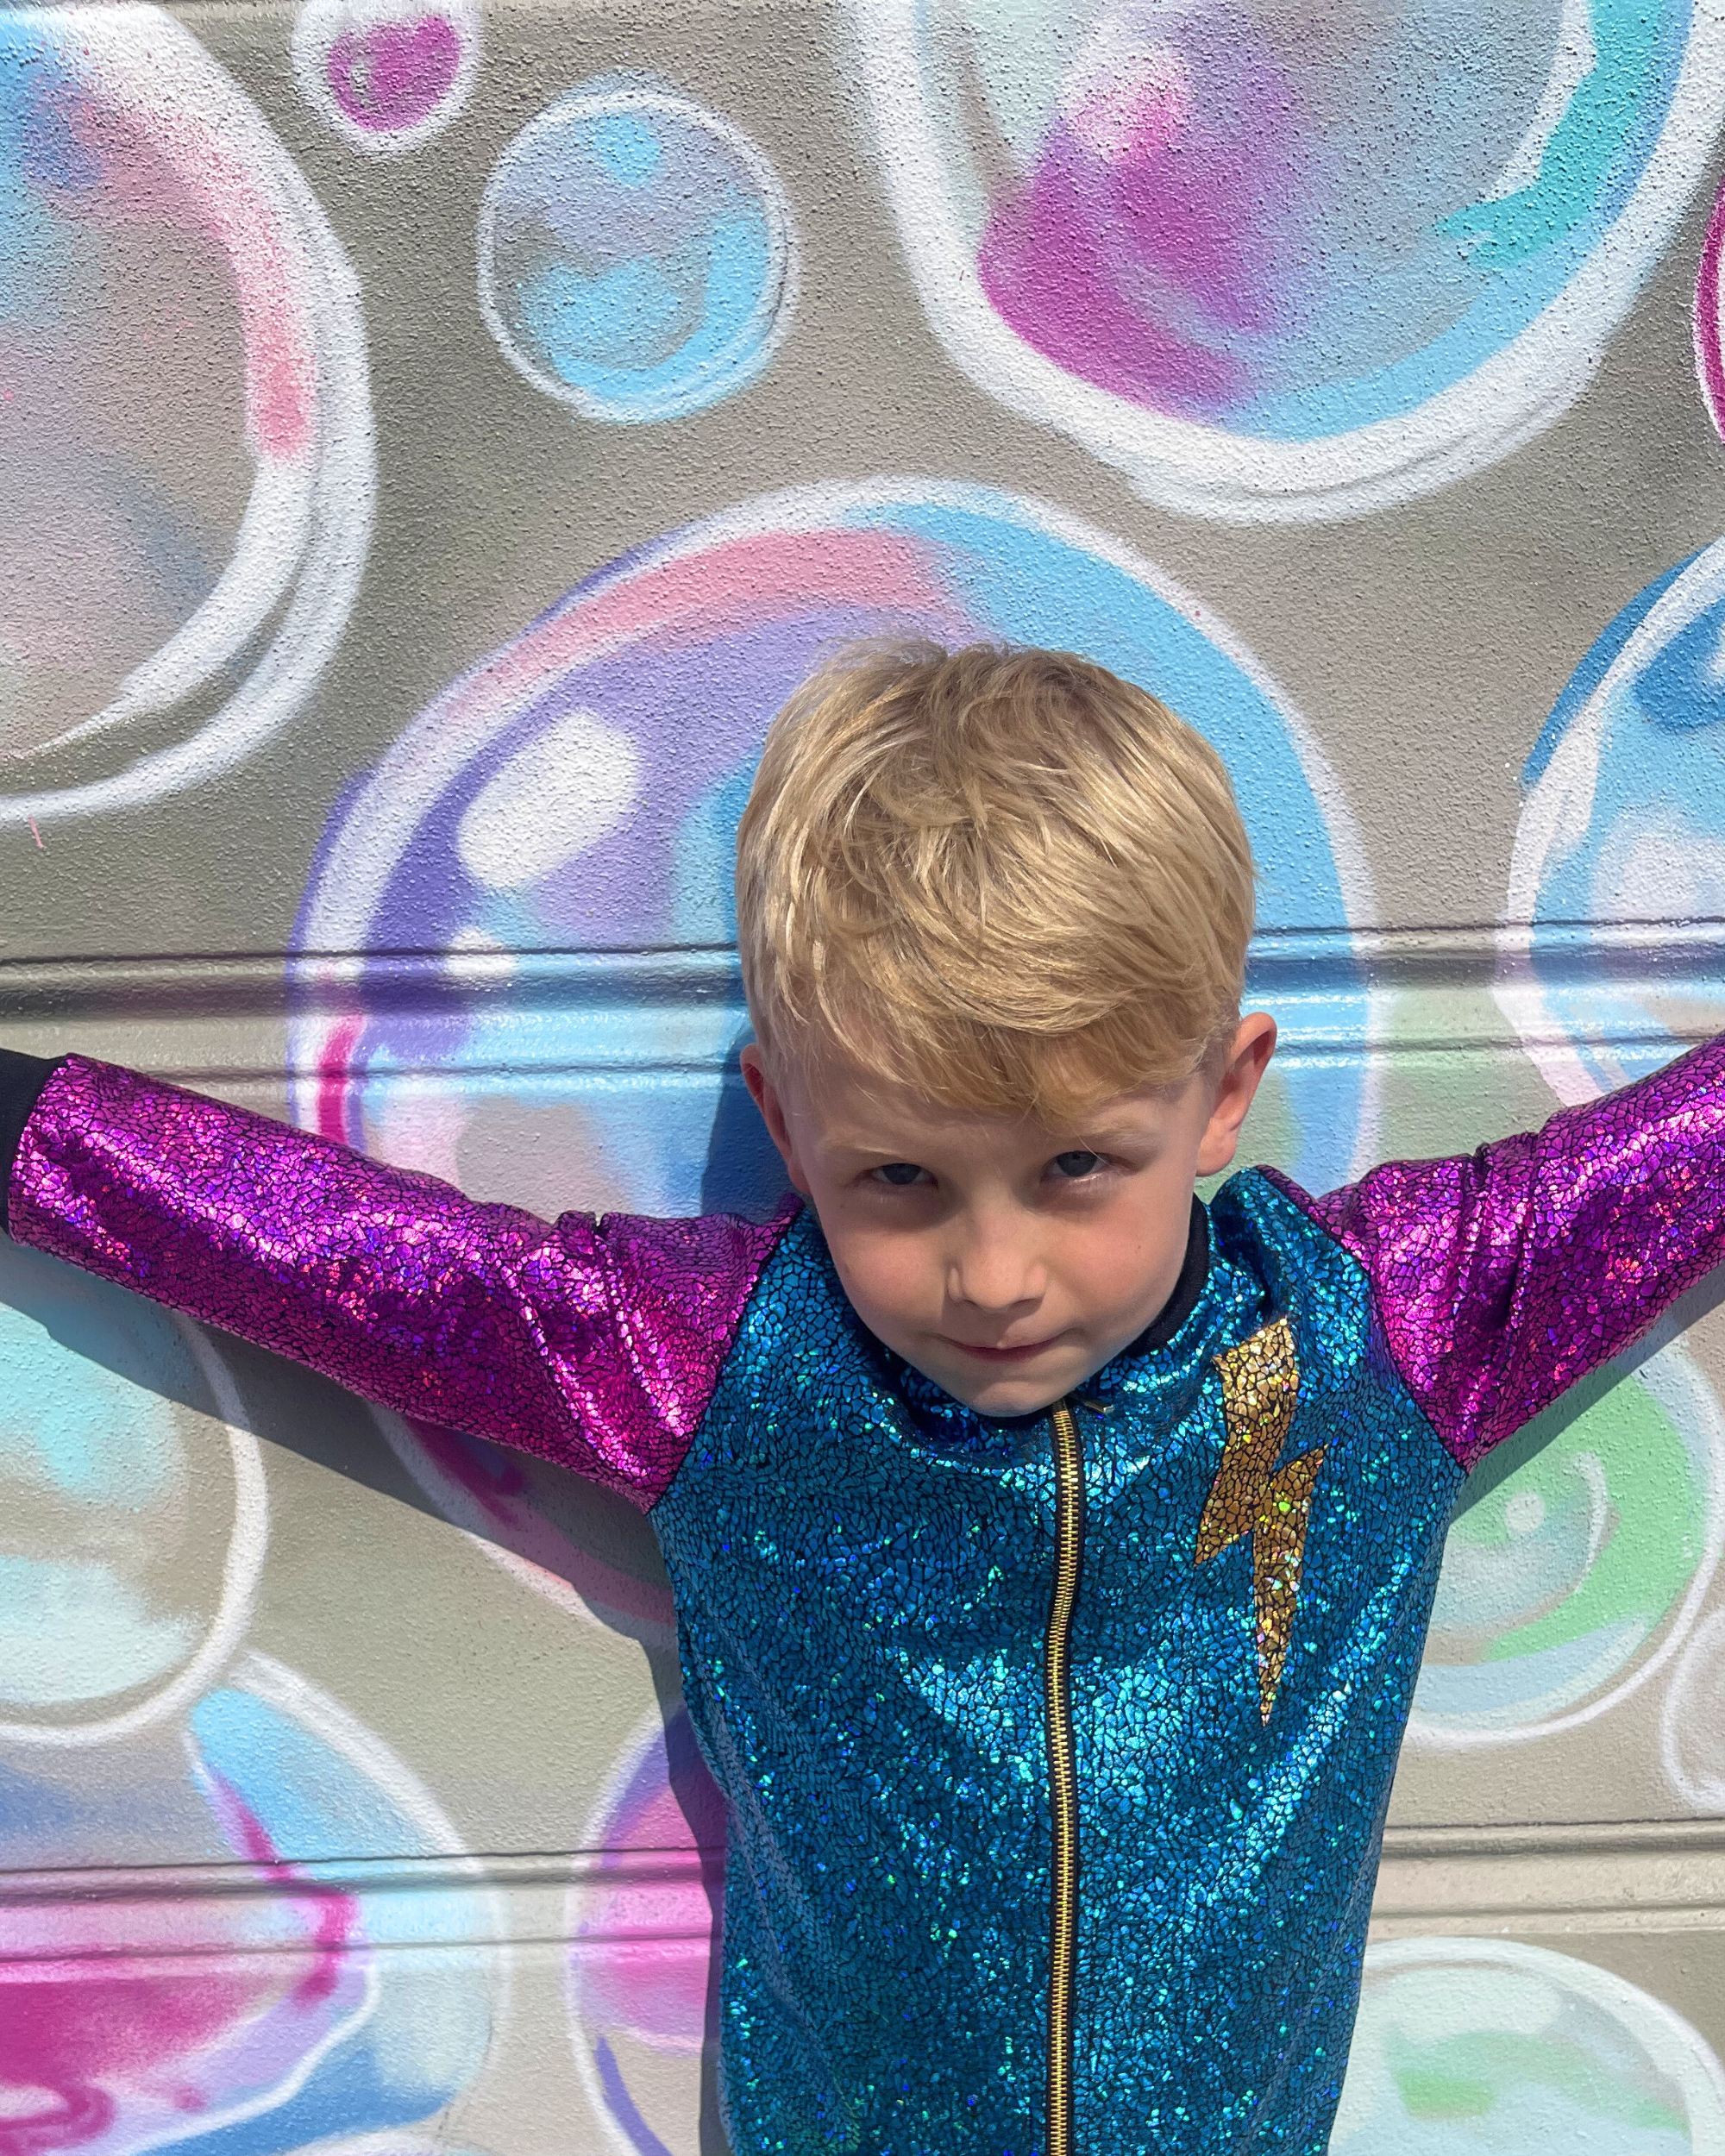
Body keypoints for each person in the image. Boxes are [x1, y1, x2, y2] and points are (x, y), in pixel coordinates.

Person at [3, 641, 1723, 2156]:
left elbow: (1671, 1160)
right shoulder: (728, 1361)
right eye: (900, 1175)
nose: (993, 1274)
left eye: (1074, 1166)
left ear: (1222, 1093)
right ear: (786, 1107)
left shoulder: (1355, 1338)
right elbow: (353, 1255)